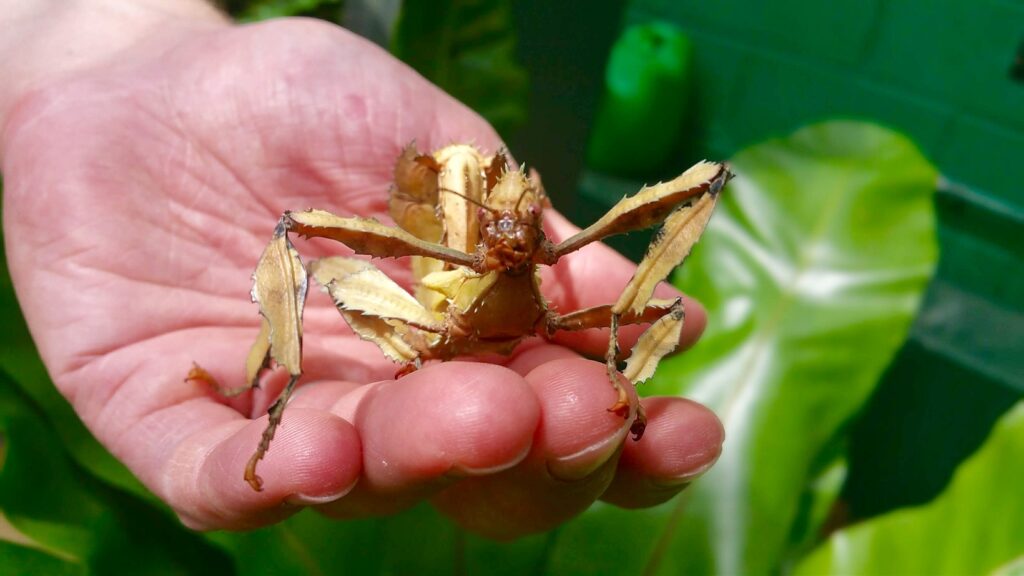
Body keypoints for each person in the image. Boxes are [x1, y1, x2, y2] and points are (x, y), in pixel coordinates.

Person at [0, 0, 723, 538]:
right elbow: (305, 246)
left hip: (521, 317)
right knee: (309, 253)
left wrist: (622, 359)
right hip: (429, 314)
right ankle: (262, 386)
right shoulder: (433, 258)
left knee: (662, 296)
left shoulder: (541, 268)